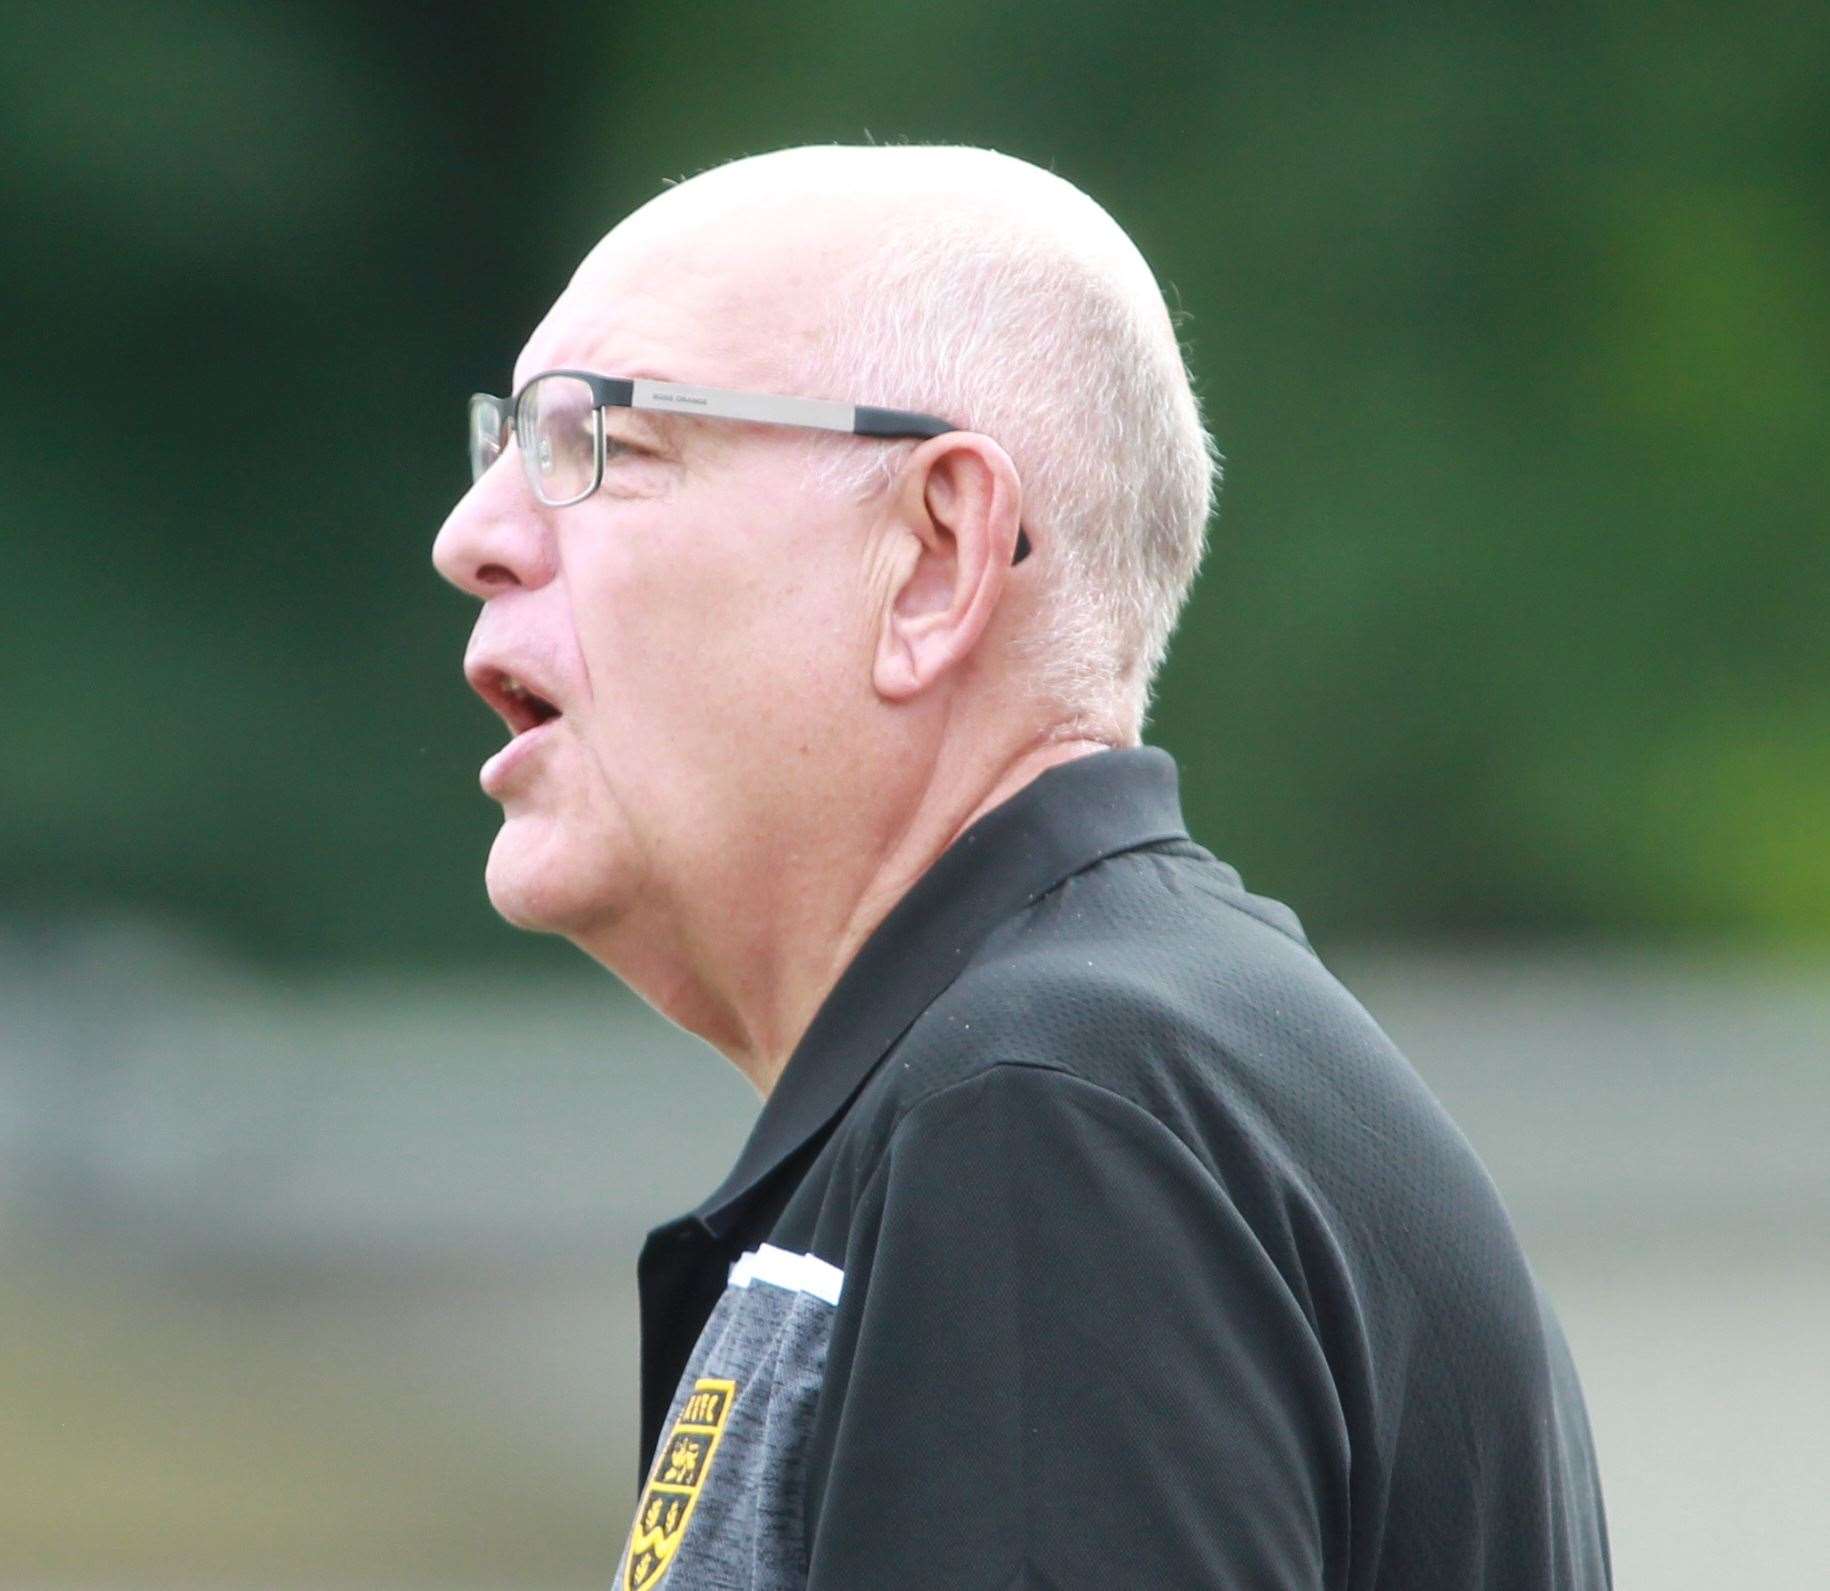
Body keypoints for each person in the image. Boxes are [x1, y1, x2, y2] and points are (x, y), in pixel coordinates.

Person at [431, 144, 1610, 1589]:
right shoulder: (1118, 1078)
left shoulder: (1042, 1121)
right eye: (500, 453)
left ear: (933, 558)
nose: (471, 539)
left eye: (597, 444)